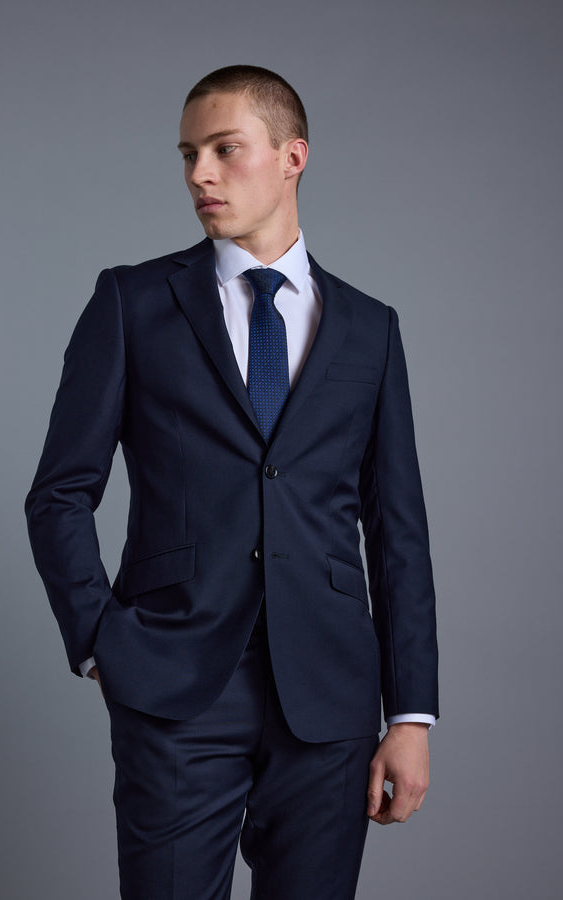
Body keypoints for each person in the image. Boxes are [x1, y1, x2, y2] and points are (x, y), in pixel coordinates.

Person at [25, 65, 439, 899]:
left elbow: (397, 531)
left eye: (224, 149)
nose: (199, 175)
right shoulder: (132, 303)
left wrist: (411, 715)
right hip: (174, 684)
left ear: (293, 156)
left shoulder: (370, 329)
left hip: (328, 695)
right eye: (187, 155)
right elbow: (60, 493)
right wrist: (101, 641)